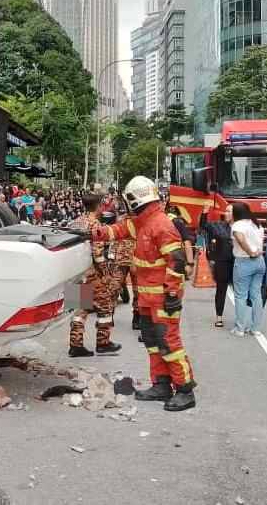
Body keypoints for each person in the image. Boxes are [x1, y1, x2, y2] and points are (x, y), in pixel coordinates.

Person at [90, 176, 196, 412]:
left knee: (169, 344)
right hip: (148, 299)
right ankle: (161, 385)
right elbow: (118, 230)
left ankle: (185, 390)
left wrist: (171, 295)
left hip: (162, 299)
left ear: (134, 200)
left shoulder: (161, 224)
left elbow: (176, 262)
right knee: (153, 343)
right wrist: (95, 233)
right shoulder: (143, 221)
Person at [68, 193, 122, 357]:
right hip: (92, 273)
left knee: (79, 309)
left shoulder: (75, 222)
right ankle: (103, 343)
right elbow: (98, 253)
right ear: (98, 206)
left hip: (75, 272)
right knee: (105, 305)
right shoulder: (96, 225)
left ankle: (75, 345)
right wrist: (106, 273)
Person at [230, 202, 266, 336]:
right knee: (256, 295)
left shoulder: (238, 224)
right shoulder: (256, 224)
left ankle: (240, 328)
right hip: (260, 261)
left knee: (240, 296)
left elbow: (240, 238)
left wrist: (250, 251)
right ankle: (255, 328)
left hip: (244, 261)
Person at [204, 204, 235, 329]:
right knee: (221, 289)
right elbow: (204, 226)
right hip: (222, 262)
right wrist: (205, 213)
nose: (226, 213)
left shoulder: (242, 227)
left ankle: (242, 318)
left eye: (229, 211)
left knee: (240, 291)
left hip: (238, 262)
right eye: (226, 210)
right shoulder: (219, 226)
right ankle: (219, 317)